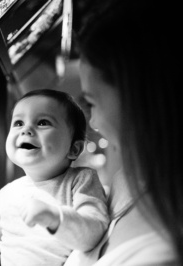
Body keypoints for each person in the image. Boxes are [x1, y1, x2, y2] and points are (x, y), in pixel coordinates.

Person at [63, 0, 182, 265]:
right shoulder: (129, 179)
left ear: (139, 99)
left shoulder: (162, 255)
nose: (92, 123)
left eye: (91, 102)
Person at [0, 89, 109, 266]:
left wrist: (54, 217)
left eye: (42, 122)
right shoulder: (9, 193)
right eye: (18, 123)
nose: (26, 130)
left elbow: (95, 229)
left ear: (74, 149)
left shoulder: (80, 181)